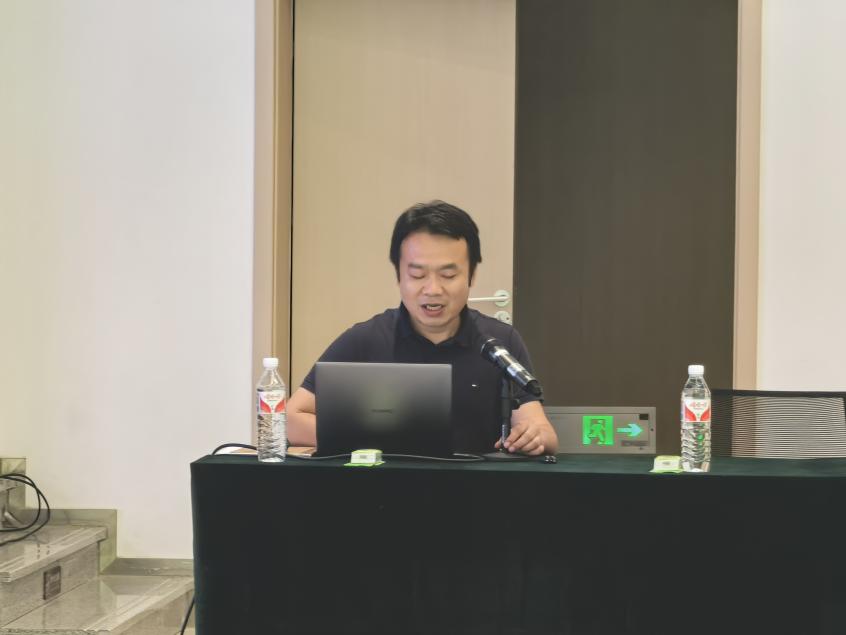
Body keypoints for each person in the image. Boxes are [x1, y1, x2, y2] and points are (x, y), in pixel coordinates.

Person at [287, 200, 558, 456]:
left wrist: (534, 437)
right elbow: (291, 420)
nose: (433, 289)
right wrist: (381, 440)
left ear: (472, 275)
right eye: (417, 275)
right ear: (399, 276)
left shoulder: (498, 341)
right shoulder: (365, 339)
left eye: (448, 275)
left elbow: (543, 431)